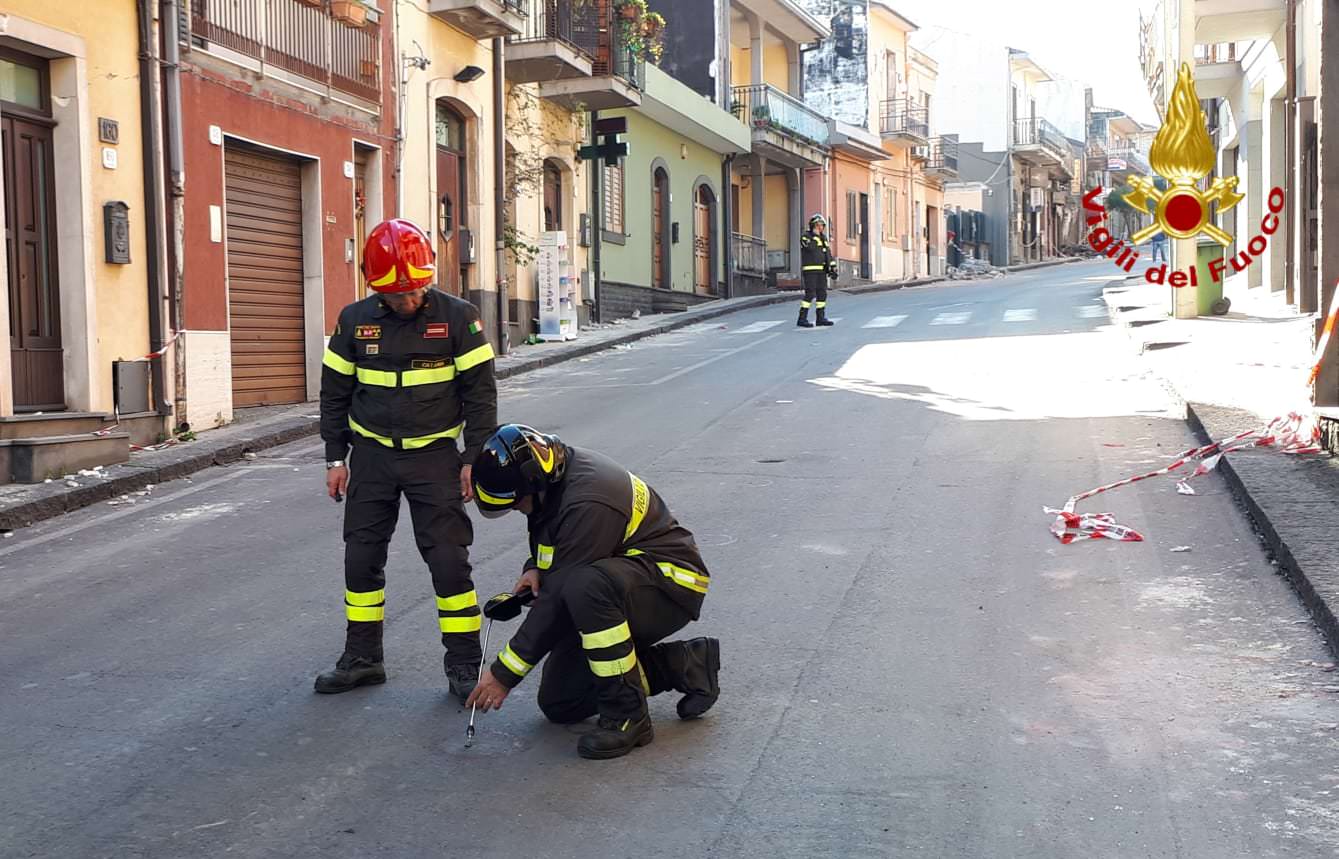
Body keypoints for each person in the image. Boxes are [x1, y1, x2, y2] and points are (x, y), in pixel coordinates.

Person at [315, 218, 498, 702]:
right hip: (372, 458)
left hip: (435, 459)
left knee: (449, 565)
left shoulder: (460, 318)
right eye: (397, 295)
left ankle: (463, 665)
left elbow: (480, 395)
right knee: (361, 559)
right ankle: (362, 658)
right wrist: (336, 458)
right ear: (376, 287)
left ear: (428, 278)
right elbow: (334, 395)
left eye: (415, 291)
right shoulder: (354, 321)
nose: (408, 301)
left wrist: (472, 459)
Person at [464, 425, 720, 760]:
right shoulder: (552, 478)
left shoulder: (589, 497)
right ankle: (683, 665)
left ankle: (628, 717)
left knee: (585, 585)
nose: (516, 509)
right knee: (561, 701)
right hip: (623, 582)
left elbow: (558, 598)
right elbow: (555, 539)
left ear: (533, 485)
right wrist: (535, 568)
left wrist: (503, 675)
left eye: (517, 502)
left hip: (671, 584)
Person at [798, 213, 838, 328]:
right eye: (818, 225)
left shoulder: (823, 238)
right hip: (810, 271)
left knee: (822, 294)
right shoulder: (806, 236)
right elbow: (810, 248)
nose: (821, 228)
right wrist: (815, 237)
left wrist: (832, 266)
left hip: (821, 271)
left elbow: (828, 254)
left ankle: (820, 318)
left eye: (822, 225)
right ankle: (802, 318)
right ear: (813, 225)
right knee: (810, 294)